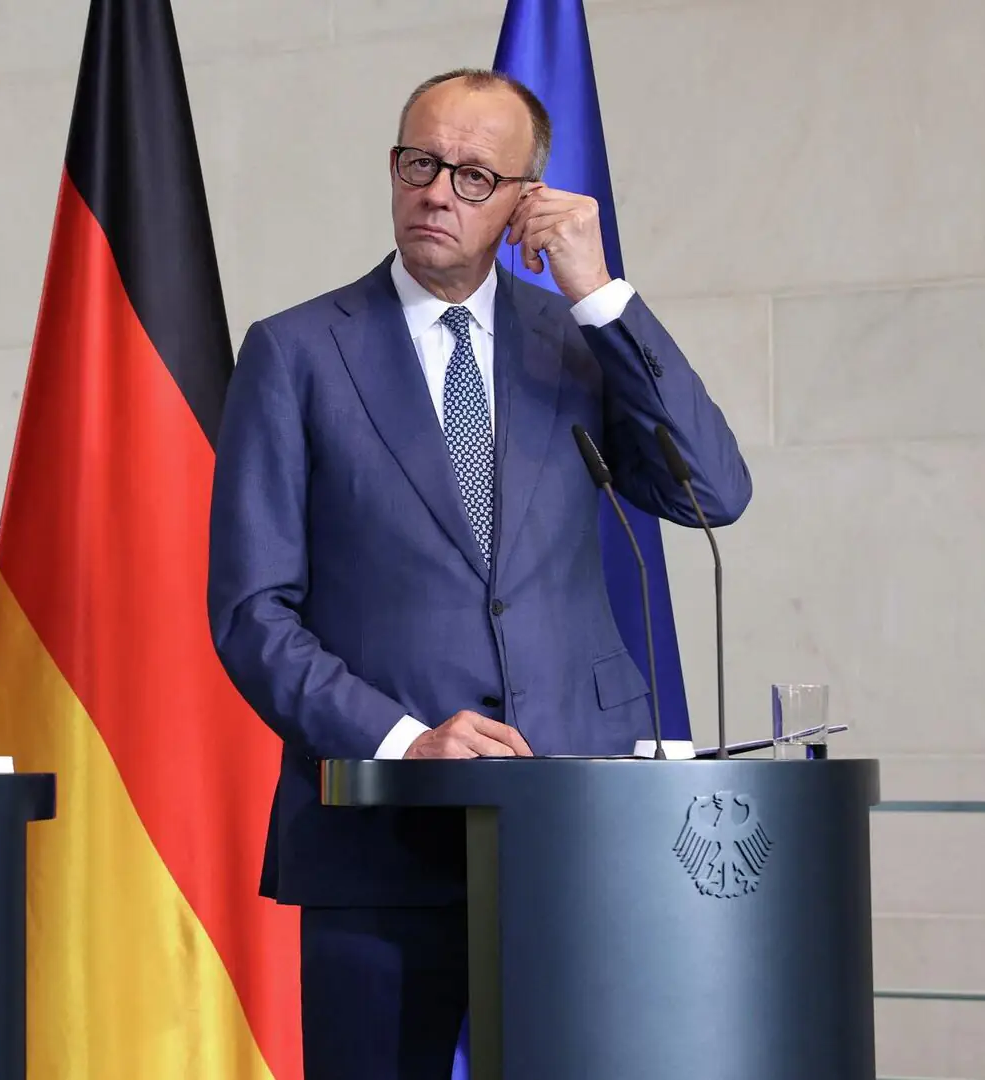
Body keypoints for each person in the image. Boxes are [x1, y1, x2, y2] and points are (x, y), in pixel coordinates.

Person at [206, 69, 752, 1079]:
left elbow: (713, 491)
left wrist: (601, 293)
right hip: (378, 832)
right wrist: (406, 742)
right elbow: (251, 612)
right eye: (418, 163)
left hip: (576, 821)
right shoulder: (295, 352)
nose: (435, 193)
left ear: (524, 199)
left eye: (472, 176)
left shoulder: (578, 342)